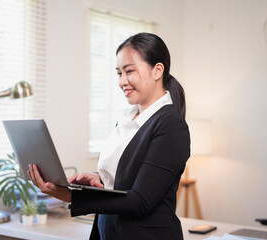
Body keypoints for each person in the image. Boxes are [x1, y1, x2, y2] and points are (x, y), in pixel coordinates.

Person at [27, 32, 190, 240]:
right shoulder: (126, 118)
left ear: (157, 70)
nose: (122, 81)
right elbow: (125, 180)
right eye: (118, 73)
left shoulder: (171, 125)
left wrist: (71, 196)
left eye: (129, 71)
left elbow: (140, 200)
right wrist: (102, 179)